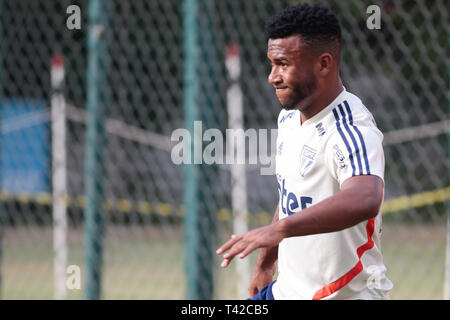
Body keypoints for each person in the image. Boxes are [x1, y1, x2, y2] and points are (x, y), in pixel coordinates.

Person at [216, 3, 393, 300]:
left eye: (283, 64)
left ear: (323, 64)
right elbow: (291, 196)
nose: (272, 76)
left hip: (341, 296)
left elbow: (365, 197)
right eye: (271, 63)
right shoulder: (289, 117)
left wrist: (279, 230)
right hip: (285, 291)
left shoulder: (351, 129)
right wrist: (266, 261)